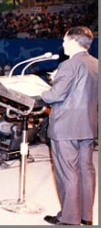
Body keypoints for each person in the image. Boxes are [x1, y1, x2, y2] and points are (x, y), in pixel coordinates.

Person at [40, 26, 98, 226]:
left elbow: (55, 96)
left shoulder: (68, 65)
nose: (63, 44)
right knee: (86, 169)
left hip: (65, 126)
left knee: (68, 172)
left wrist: (47, 87)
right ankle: (85, 216)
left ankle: (69, 218)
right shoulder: (96, 64)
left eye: (65, 41)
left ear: (73, 42)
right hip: (87, 125)